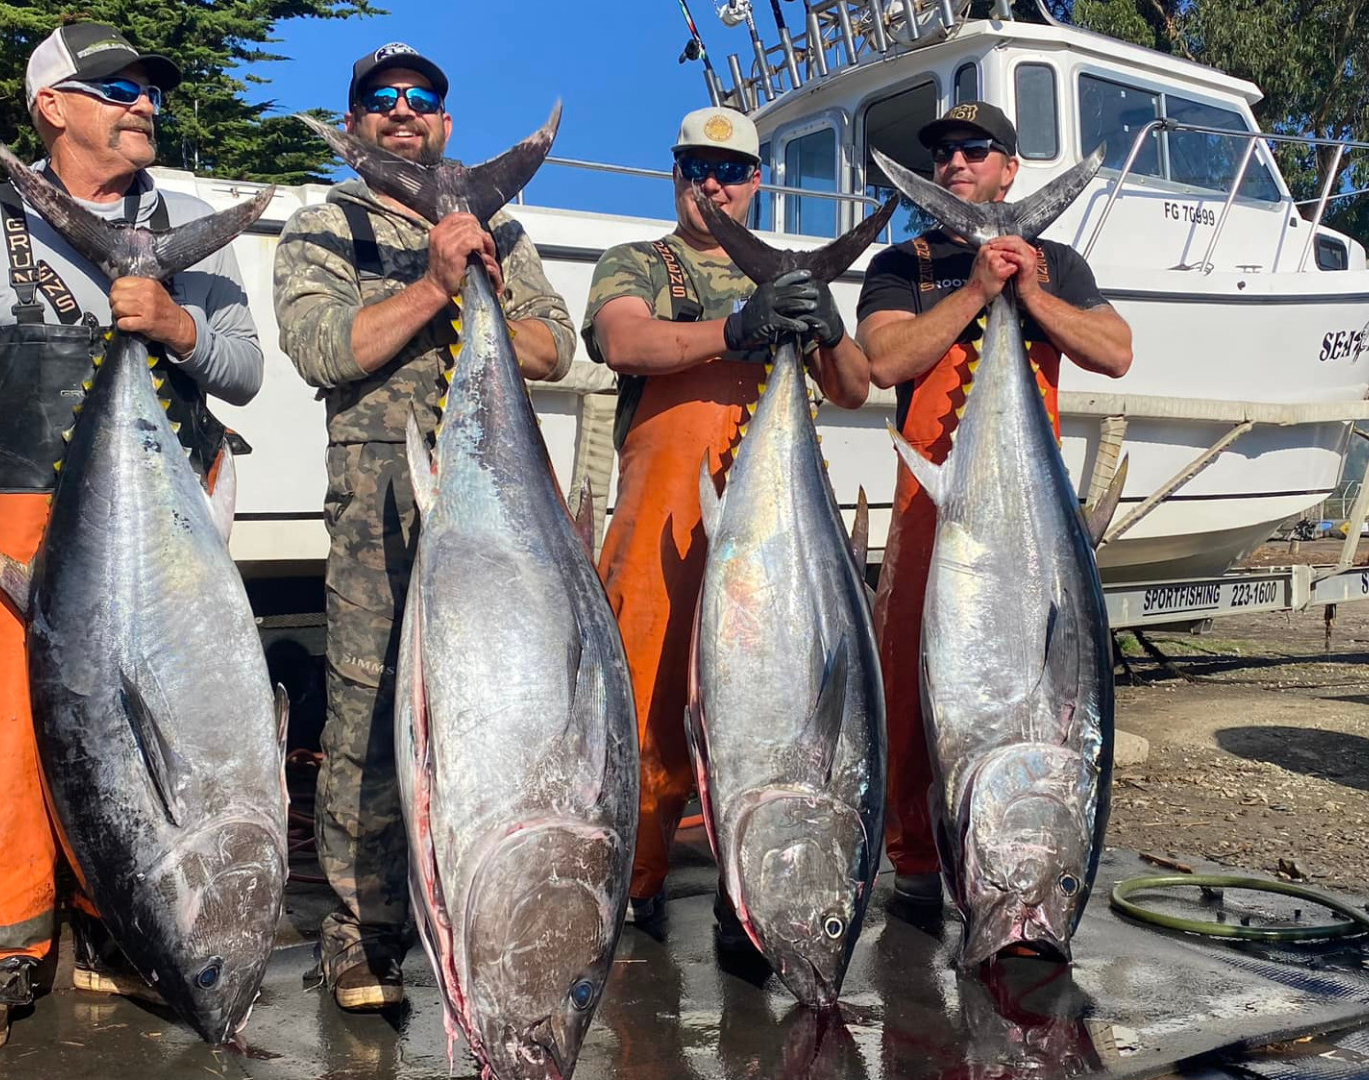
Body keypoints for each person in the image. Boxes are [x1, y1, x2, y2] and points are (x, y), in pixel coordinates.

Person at [0, 22, 264, 1054]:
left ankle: (119, 938)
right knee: (5, 741)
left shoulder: (188, 227)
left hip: (162, 535)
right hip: (14, 526)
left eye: (147, 89)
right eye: (117, 89)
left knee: (151, 743)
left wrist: (178, 327)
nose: (143, 102)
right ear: (51, 105)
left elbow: (244, 371)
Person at [272, 42, 576, 1011]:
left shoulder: (503, 230)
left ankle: (484, 912)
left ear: (445, 124)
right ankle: (362, 936)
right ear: (356, 120)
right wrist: (437, 286)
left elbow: (552, 350)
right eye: (381, 100)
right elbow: (324, 348)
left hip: (496, 509)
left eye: (422, 101)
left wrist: (479, 275)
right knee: (366, 717)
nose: (403, 112)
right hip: (380, 514)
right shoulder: (325, 226)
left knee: (498, 711)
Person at [582, 106, 872, 948]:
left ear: (756, 181)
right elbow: (625, 341)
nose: (713, 184)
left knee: (775, 703)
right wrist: (740, 328)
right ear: (675, 176)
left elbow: (851, 387)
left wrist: (822, 320)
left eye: (731, 171)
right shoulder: (638, 262)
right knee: (642, 702)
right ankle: (628, 880)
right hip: (663, 521)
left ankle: (752, 884)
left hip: (770, 525)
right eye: (695, 168)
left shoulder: (787, 274)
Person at [855, 102, 1133, 914]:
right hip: (929, 504)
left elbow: (1115, 351)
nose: (955, 164)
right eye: (943, 154)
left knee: (1034, 686)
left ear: (1011, 169)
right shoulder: (902, 263)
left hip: (1027, 518)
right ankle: (914, 868)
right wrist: (979, 286)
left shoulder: (1059, 261)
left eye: (976, 151)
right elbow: (883, 359)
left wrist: (1028, 290)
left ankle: (1007, 856)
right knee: (911, 686)